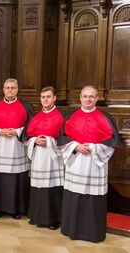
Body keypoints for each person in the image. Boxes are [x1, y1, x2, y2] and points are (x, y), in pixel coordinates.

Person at [58, 85, 121, 242]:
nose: (88, 99)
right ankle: (71, 229)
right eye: (85, 96)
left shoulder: (105, 118)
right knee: (74, 195)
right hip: (76, 163)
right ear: (80, 98)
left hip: (95, 164)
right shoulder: (70, 117)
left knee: (93, 199)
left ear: (96, 99)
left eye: (91, 96)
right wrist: (75, 146)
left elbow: (112, 143)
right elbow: (63, 139)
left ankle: (92, 233)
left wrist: (94, 147)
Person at [0, 78, 34, 219]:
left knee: (16, 179)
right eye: (7, 88)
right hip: (0, 148)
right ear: (4, 90)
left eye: (13, 87)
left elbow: (32, 126)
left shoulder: (25, 106)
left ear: (17, 90)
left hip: (17, 148)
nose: (10, 90)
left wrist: (17, 132)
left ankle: (16, 210)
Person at [20, 86, 64, 230]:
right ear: (40, 99)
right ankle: (36, 216)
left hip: (53, 158)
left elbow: (66, 139)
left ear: (54, 98)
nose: (45, 99)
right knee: (37, 186)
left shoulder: (60, 117)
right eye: (43, 97)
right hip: (39, 156)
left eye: (48, 96)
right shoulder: (36, 117)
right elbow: (27, 137)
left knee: (52, 187)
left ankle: (53, 219)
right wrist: (35, 140)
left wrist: (50, 141)